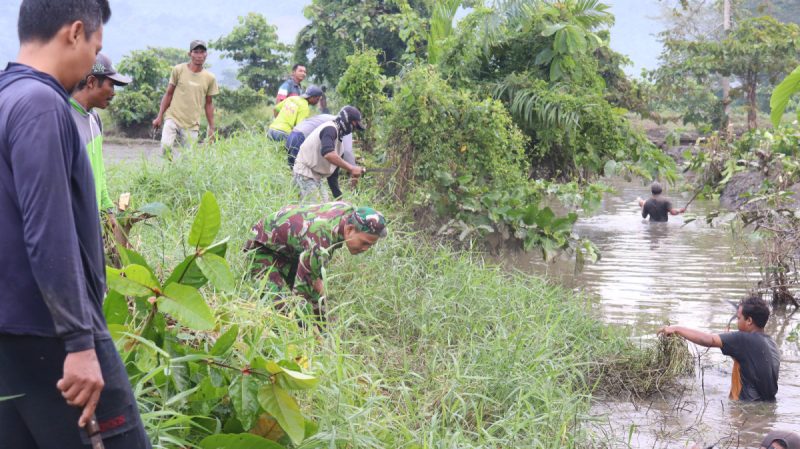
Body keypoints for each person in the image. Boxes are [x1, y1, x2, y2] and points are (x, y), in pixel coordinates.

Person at [0, 1, 151, 448]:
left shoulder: (6, 96)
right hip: (54, 335)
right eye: (96, 47)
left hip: (11, 335)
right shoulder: (43, 105)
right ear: (75, 33)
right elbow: (49, 230)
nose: (92, 62)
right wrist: (80, 342)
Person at [243, 202, 387, 321]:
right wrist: (306, 322)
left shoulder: (349, 213)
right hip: (263, 247)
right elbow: (300, 295)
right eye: (364, 243)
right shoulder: (321, 242)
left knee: (317, 301)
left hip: (291, 249)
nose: (366, 248)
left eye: (370, 245)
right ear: (349, 229)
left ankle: (323, 325)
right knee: (282, 310)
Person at [658, 295, 779, 401]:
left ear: (749, 321)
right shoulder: (771, 344)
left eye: (738, 318)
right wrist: (730, 344)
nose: (737, 322)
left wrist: (676, 329)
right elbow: (752, 368)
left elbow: (708, 340)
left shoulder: (743, 339)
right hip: (766, 408)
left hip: (745, 411)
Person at [70, 52, 131, 212]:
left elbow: (99, 171)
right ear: (91, 82)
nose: (114, 92)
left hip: (92, 220)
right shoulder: (63, 120)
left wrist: (107, 207)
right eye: (111, 85)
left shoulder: (94, 118)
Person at [152, 39, 219, 160]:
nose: (199, 56)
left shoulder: (210, 78)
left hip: (192, 124)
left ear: (206, 55)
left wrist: (212, 128)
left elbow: (209, 104)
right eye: (196, 52)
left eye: (202, 52)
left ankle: (180, 177)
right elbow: (168, 94)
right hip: (173, 117)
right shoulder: (179, 70)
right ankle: (170, 169)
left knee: (188, 160)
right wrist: (159, 116)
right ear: (190, 54)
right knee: (165, 147)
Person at [293, 106, 366, 201]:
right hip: (304, 173)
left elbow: (333, 176)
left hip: (316, 177)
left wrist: (339, 199)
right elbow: (328, 153)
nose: (354, 130)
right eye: (354, 126)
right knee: (316, 210)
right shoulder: (330, 129)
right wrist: (351, 168)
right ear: (347, 121)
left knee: (326, 206)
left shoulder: (340, 144)